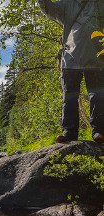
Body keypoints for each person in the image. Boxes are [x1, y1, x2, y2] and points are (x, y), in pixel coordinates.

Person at [37, 0, 104, 144]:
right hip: (70, 59)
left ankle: (99, 131)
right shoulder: (66, 4)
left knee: (97, 96)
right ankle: (69, 133)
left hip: (97, 59)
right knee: (69, 97)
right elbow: (48, 9)